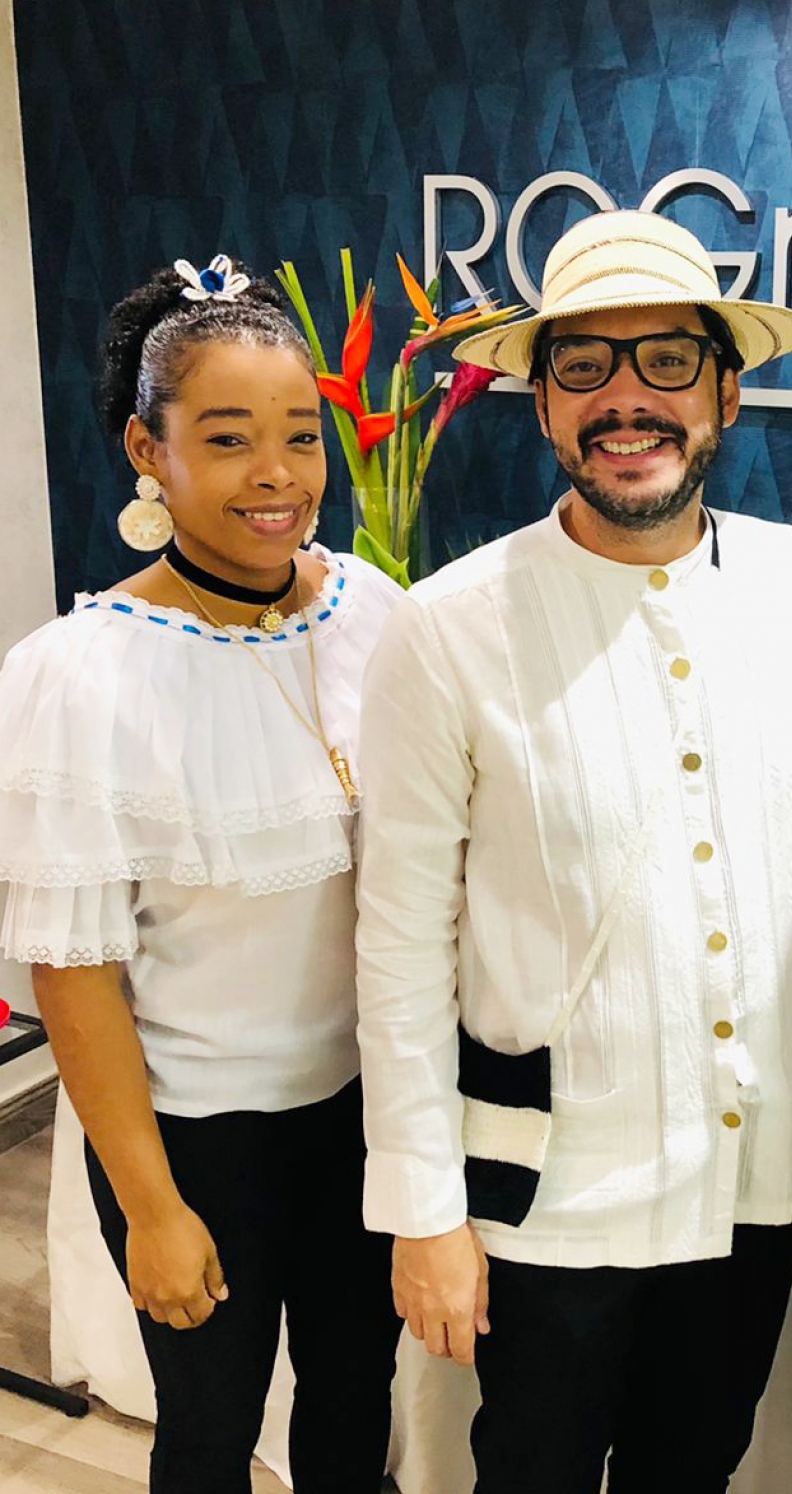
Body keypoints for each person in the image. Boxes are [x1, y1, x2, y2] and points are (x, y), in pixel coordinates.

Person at [354, 209, 792, 1492]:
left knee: (692, 1468)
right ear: (541, 404)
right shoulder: (446, 628)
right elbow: (401, 941)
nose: (626, 399)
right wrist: (422, 1209)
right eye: (583, 365)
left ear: (726, 393)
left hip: (752, 1178)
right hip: (549, 1196)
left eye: (668, 362)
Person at [0, 257, 403, 1493]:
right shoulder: (84, 673)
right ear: (149, 449)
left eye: (300, 435)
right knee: (211, 1431)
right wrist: (153, 1208)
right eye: (228, 439)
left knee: (355, 1401)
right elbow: (74, 971)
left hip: (365, 1112)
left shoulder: (369, 612)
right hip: (192, 1134)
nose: (277, 474)